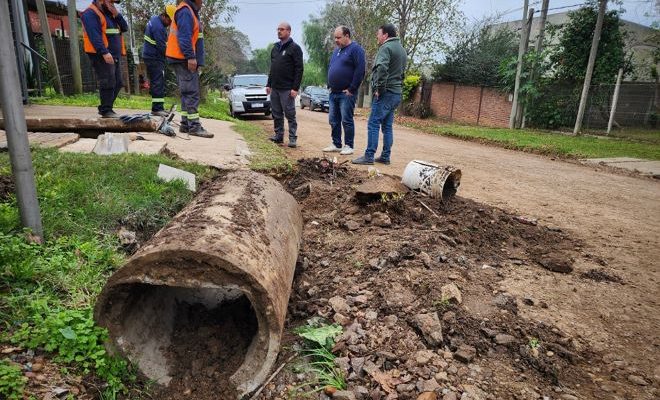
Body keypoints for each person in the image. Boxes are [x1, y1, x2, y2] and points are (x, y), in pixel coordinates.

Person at [352, 23, 407, 165]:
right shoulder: (402, 50)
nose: (377, 36)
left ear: (385, 35)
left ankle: (369, 156)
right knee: (387, 126)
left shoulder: (386, 47)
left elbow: (382, 68)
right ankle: (385, 156)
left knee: (373, 123)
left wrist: (379, 88)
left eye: (378, 34)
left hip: (385, 92)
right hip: (396, 92)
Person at [166, 0, 213, 138]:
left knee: (186, 92)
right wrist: (190, 57)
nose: (203, 1)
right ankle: (194, 126)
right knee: (191, 92)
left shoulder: (189, 11)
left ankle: (186, 124)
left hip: (180, 58)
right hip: (183, 58)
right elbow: (184, 37)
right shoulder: (186, 11)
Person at [322, 26, 366, 156]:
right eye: (334, 37)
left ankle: (349, 145)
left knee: (346, 120)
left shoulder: (356, 50)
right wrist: (329, 84)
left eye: (338, 37)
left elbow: (360, 70)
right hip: (333, 92)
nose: (336, 40)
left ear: (347, 36)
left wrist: (352, 88)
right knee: (333, 119)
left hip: (346, 93)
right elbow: (332, 67)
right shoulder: (337, 51)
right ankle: (336, 144)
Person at [81, 0, 128, 118]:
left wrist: (117, 14)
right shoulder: (90, 13)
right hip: (101, 54)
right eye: (110, 2)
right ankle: (106, 110)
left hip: (114, 54)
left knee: (118, 82)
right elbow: (94, 35)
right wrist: (104, 52)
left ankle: (107, 108)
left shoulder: (110, 14)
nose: (112, 4)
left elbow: (124, 27)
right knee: (108, 80)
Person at [266, 22, 304, 148]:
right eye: (278, 29)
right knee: (276, 113)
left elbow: (299, 69)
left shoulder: (295, 48)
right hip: (275, 88)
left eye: (282, 29)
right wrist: (269, 84)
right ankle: (278, 136)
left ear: (289, 31)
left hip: (287, 89)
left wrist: (295, 88)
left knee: (290, 114)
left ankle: (292, 138)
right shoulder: (275, 48)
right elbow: (272, 68)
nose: (279, 31)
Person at [142, 5, 175, 117]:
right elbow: (162, 47)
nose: (170, 23)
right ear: (165, 16)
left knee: (157, 81)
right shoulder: (159, 27)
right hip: (154, 57)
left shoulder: (155, 19)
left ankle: (158, 107)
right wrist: (172, 57)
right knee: (158, 82)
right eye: (170, 21)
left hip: (151, 55)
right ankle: (157, 109)